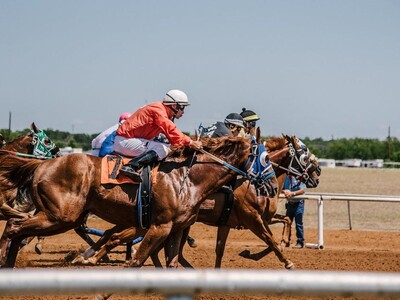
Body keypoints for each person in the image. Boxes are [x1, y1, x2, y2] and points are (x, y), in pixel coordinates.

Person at [114, 89, 203, 182]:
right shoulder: (158, 110)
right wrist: (191, 142)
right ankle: (130, 166)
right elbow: (171, 129)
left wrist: (187, 145)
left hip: (130, 141)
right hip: (125, 141)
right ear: (174, 106)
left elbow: (173, 138)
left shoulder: (163, 113)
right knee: (162, 149)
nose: (183, 112)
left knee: (167, 148)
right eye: (182, 108)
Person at [282, 174, 307, 249]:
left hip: (299, 203)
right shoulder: (287, 177)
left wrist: (292, 193)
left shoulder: (301, 176)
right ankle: (286, 241)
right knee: (287, 222)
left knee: (298, 223)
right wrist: (285, 191)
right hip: (290, 203)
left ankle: (300, 242)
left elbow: (303, 190)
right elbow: (282, 188)